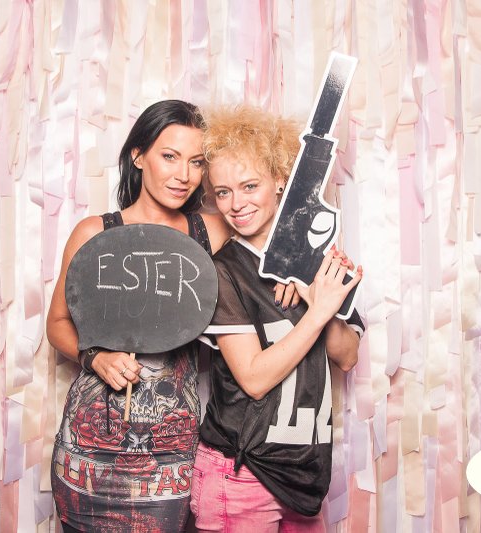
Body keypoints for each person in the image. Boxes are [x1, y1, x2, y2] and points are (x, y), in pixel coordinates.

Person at [46, 100, 231, 533]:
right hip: (88, 448)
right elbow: (57, 324)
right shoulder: (95, 233)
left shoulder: (212, 231)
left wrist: (290, 279)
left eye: (196, 162)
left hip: (170, 450)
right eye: (169, 156)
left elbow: (270, 228)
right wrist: (96, 358)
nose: (183, 175)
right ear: (138, 156)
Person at [190, 105, 364, 532]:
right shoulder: (222, 270)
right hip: (241, 473)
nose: (237, 204)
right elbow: (253, 379)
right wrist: (316, 313)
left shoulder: (318, 260)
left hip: (304, 476)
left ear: (280, 180)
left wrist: (316, 297)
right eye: (223, 192)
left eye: (250, 186)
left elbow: (348, 356)